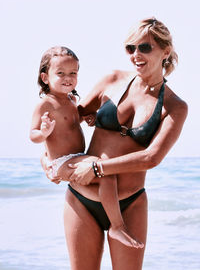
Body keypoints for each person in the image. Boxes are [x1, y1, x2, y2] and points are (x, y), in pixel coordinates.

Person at [42, 18, 188, 270]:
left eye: (145, 48)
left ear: (165, 51)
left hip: (129, 203)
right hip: (82, 199)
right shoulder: (112, 80)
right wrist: (47, 158)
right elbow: (65, 119)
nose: (135, 55)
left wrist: (99, 168)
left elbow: (151, 158)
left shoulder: (175, 107)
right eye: (130, 48)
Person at [30, 46, 143, 250]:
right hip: (62, 162)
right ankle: (117, 226)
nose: (68, 78)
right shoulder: (45, 104)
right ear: (45, 77)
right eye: (61, 73)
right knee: (104, 170)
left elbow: (72, 123)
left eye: (73, 73)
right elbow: (33, 135)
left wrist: (85, 118)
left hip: (78, 157)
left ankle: (109, 220)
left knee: (105, 173)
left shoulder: (72, 101)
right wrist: (44, 132)